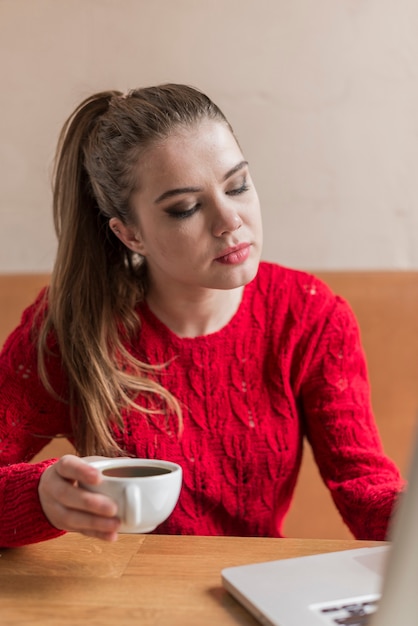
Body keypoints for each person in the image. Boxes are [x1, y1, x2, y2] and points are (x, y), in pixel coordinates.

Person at [0, 84, 404, 548]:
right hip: (116, 600)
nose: (230, 220)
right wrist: (39, 498)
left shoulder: (310, 314)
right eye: (186, 207)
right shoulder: (71, 325)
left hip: (255, 595)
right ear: (130, 234)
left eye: (238, 185)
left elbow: (363, 485)